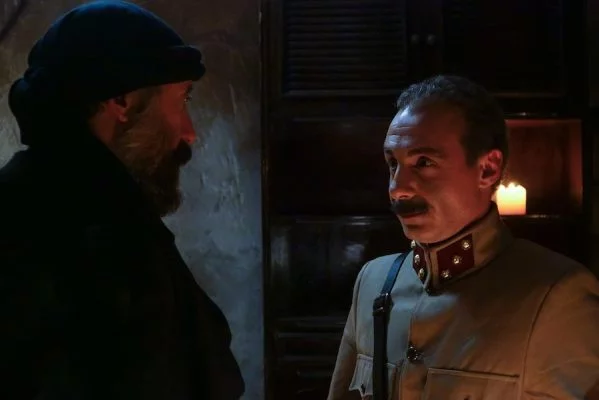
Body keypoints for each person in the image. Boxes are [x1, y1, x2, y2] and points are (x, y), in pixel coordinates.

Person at [0, 1, 244, 399]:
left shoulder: (58, 204)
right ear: (122, 102)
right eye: (182, 99)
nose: (189, 132)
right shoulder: (101, 236)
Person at [327, 75, 599, 400]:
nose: (397, 188)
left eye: (424, 162)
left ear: (487, 169)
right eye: (392, 163)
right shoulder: (373, 283)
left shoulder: (558, 296)